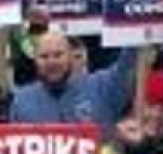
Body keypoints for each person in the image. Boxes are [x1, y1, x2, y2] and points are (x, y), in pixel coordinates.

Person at [7, 31, 135, 141]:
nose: (51, 62)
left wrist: (141, 27)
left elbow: (129, 62)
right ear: (35, 61)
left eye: (58, 55)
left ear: (71, 57)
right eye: (44, 56)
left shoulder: (101, 85)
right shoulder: (22, 100)